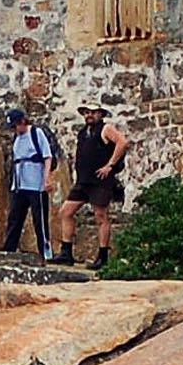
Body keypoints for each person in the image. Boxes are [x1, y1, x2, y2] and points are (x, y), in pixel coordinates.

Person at [56, 104, 132, 267]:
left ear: (100, 114)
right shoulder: (84, 133)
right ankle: (66, 252)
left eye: (93, 112)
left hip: (100, 180)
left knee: (100, 216)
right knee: (66, 212)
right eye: (87, 112)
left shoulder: (105, 129)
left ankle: (103, 256)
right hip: (84, 180)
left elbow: (123, 142)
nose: (89, 115)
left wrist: (109, 166)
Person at [2, 109, 58, 260]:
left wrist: (47, 179)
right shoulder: (17, 138)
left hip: (36, 184)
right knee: (15, 218)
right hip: (20, 184)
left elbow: (47, 157)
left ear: (22, 122)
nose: (14, 130)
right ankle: (9, 249)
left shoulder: (36, 133)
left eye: (15, 126)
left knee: (39, 219)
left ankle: (45, 252)